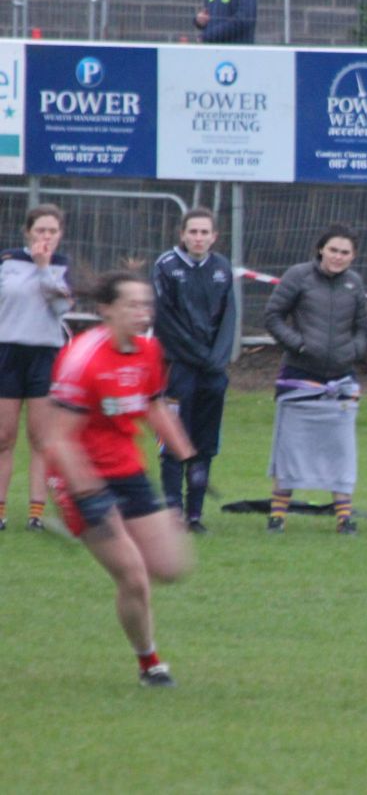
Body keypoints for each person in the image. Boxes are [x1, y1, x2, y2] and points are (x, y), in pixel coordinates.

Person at [43, 271, 198, 687]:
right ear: (106, 309)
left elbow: (153, 405)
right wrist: (87, 494)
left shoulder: (149, 350)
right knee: (133, 575)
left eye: (146, 305)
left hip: (127, 469)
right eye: (132, 305)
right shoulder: (83, 357)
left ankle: (105, 539)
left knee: (171, 567)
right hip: (81, 478)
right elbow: (57, 437)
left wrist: (187, 454)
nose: (142, 313)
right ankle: (150, 664)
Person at [263, 226, 367, 535]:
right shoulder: (298, 276)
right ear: (321, 249)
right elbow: (273, 316)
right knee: (290, 449)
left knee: (341, 450)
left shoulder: (354, 283)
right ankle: (277, 516)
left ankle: (344, 518)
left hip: (341, 381)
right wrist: (299, 345)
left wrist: (354, 350)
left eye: (345, 252)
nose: (338, 257)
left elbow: (362, 328)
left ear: (353, 256)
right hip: (299, 378)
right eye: (333, 250)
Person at [152, 208, 237, 534]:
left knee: (204, 442)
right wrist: (198, 355)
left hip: (211, 370)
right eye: (193, 232)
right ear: (182, 234)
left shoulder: (222, 268)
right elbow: (165, 322)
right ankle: (173, 511)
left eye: (205, 232)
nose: (198, 238)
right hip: (177, 368)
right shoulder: (166, 267)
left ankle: (195, 515)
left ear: (214, 236)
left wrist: (217, 358)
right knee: (174, 440)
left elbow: (228, 317)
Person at [0, 204, 72, 532]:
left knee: (41, 438)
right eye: (40, 230)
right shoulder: (8, 261)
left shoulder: (60, 267)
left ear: (60, 235)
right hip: (8, 353)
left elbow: (59, 307)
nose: (45, 236)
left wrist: (43, 269)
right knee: (4, 436)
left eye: (52, 231)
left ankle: (36, 514)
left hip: (45, 355)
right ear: (28, 232)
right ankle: (0, 511)